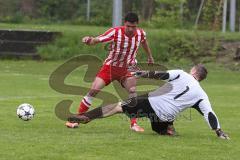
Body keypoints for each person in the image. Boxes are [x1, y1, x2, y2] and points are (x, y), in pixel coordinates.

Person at [68, 64, 230, 139]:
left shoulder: (182, 74)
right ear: (201, 78)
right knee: (161, 128)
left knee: (119, 106)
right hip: (163, 117)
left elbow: (162, 75)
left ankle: (86, 117)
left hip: (151, 102)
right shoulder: (201, 95)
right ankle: (169, 130)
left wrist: (141, 73)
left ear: (193, 71)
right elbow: (209, 114)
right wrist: (218, 131)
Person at [65, 12, 154, 132]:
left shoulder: (141, 33)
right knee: (94, 91)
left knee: (132, 92)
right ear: (124, 24)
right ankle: (75, 120)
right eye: (128, 26)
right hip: (110, 67)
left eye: (133, 27)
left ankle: (133, 124)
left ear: (137, 25)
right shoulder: (115, 32)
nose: (130, 29)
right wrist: (89, 40)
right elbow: (97, 40)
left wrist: (149, 56)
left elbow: (144, 42)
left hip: (127, 68)